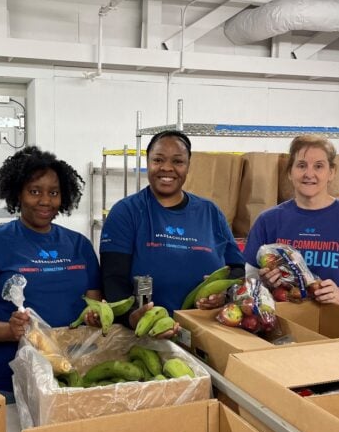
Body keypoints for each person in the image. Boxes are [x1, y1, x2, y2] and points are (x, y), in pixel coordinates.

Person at [0, 147, 101, 400]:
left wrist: (94, 318)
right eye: (35, 191)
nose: (45, 201)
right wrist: (9, 330)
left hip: (73, 375)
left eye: (54, 193)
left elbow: (93, 305)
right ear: (18, 193)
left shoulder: (79, 245)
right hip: (9, 380)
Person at [100, 130, 244, 335]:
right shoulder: (126, 212)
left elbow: (237, 269)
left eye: (178, 161)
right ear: (147, 162)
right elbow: (113, 281)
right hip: (145, 334)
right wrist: (132, 318)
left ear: (188, 166)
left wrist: (225, 294)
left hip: (208, 331)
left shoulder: (210, 212)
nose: (167, 168)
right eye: (158, 159)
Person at [245, 134, 339, 307]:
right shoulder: (268, 220)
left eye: (319, 166)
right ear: (290, 172)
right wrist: (263, 282)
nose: (309, 174)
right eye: (301, 165)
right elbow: (250, 276)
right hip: (280, 322)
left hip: (333, 326)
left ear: (331, 172)